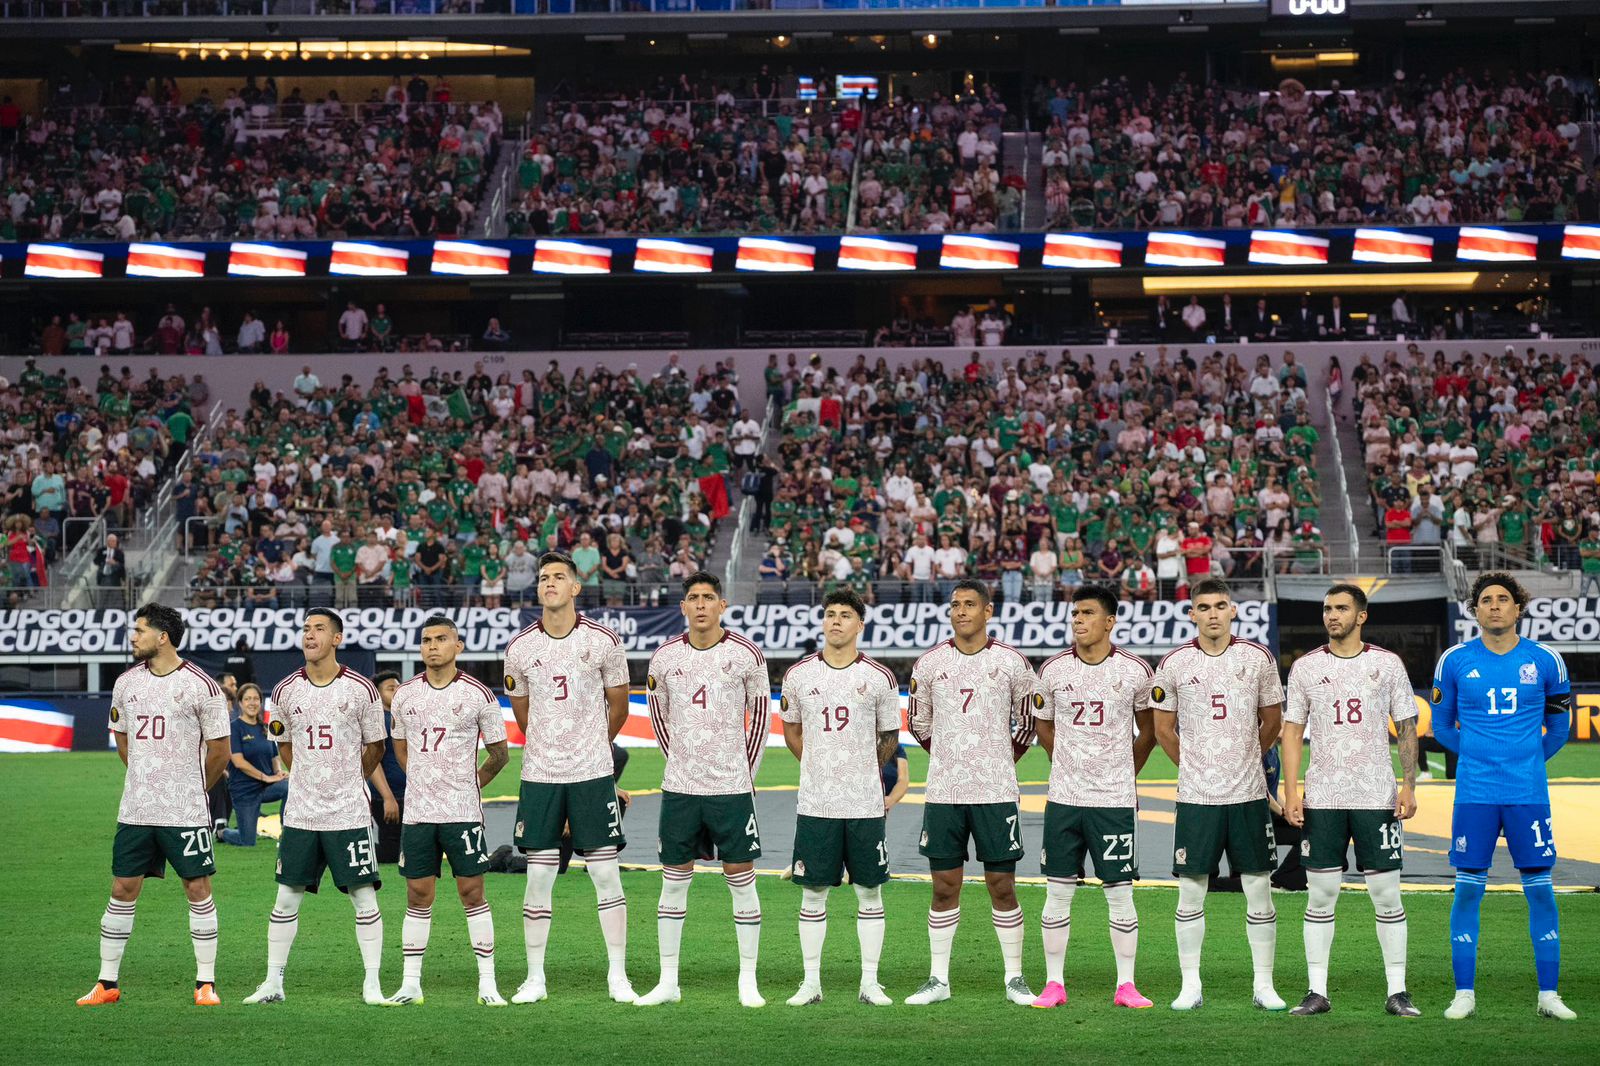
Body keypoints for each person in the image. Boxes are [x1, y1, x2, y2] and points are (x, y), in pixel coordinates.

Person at [1431, 573, 1575, 1021]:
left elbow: (1559, 728)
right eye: (1486, 600)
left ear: (1518, 607)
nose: (1494, 606)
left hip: (1527, 793)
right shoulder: (1454, 660)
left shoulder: (1546, 660)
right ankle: (1464, 994)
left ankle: (1548, 996)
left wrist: (1526, 758)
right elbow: (1440, 726)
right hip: (1474, 793)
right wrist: (1480, 755)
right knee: (1468, 891)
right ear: (1475, 610)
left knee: (1541, 892)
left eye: (1503, 599)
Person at [77, 604, 230, 1008]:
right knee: (122, 888)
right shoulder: (126, 684)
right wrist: (148, 777)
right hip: (137, 809)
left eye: (140, 630)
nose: (133, 637)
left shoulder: (202, 686)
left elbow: (220, 750)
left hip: (185, 810)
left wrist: (194, 788)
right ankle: (107, 983)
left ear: (162, 636)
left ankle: (205, 983)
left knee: (197, 888)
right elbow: (123, 741)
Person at [1281, 584, 1421, 1018]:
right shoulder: (1305, 668)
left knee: (1386, 894)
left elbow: (1407, 725)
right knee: (1320, 895)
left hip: (1375, 795)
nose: (1332, 615)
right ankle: (1316, 991)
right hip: (1323, 796)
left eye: (1341, 608)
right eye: (1327, 608)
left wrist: (1410, 784)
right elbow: (1290, 730)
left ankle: (1397, 991)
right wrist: (1290, 790)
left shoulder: (1387, 664)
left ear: (1362, 616)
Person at [636, 571, 771, 1008]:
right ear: (683, 607)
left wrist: (743, 775)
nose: (699, 605)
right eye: (692, 597)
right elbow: (659, 720)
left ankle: (747, 980)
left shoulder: (747, 655)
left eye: (707, 597)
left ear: (721, 605)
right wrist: (684, 765)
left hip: (731, 788)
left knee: (742, 880)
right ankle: (668, 981)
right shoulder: (664, 658)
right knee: (673, 883)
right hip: (680, 789)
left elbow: (760, 718)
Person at [1151, 577, 1285, 1011]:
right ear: (1192, 614)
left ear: (1233, 611)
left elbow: (1272, 721)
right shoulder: (1173, 663)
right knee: (1191, 891)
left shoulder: (1258, 658)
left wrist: (1247, 758)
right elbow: (1163, 729)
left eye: (1220, 605)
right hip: (1196, 797)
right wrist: (1195, 765)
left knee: (1259, 888)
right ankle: (1191, 985)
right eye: (1203, 607)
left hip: (1247, 795)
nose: (1212, 613)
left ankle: (1263, 985)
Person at [504, 552, 633, 1004]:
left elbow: (619, 706)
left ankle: (618, 975)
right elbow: (522, 715)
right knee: (539, 878)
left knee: (605, 875)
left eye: (559, 577)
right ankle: (535, 977)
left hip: (591, 774)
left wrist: (593, 747)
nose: (550, 583)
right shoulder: (520, 647)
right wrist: (550, 743)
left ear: (576, 587)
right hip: (540, 775)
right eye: (544, 578)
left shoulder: (603, 641)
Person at [242, 609, 388, 1006]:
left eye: (319, 629)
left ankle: (372, 985)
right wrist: (308, 775)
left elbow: (377, 745)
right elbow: (284, 745)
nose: (309, 635)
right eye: (306, 629)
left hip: (348, 813)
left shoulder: (362, 690)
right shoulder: (285, 690)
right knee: (287, 896)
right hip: (302, 813)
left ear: (337, 639)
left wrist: (348, 777)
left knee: (363, 896)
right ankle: (273, 982)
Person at [904, 579, 1037, 1006]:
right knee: (944, 886)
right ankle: (938, 980)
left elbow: (1029, 722)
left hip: (996, 791)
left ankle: (1014, 977)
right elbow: (918, 722)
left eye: (969, 605)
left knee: (1002, 884)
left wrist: (998, 757)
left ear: (988, 611)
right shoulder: (928, 665)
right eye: (955, 605)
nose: (960, 611)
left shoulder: (1014, 664)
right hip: (944, 792)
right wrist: (949, 755)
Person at [1031, 585, 1157, 1010]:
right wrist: (1066, 761)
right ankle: (1053, 983)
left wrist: (1123, 769)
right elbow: (1043, 727)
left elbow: (1150, 730)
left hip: (1115, 800)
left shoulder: (1136, 671)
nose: (1078, 621)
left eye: (1087, 613)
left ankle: (1126, 985)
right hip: (1064, 796)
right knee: (1057, 891)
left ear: (1109, 621)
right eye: (1074, 614)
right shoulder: (1051, 671)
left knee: (1120, 891)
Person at [778, 588, 901, 1007]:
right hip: (816, 803)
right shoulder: (799, 675)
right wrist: (818, 764)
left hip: (865, 803)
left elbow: (889, 737)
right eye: (830, 614)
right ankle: (810, 983)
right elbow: (791, 730)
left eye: (845, 615)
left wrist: (863, 769)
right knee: (813, 893)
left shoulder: (881, 678)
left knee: (870, 892)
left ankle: (870, 983)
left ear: (859, 625)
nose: (835, 621)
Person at [386, 616, 510, 1007]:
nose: (433, 646)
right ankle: (410, 984)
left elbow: (500, 753)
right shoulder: (405, 695)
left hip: (462, 812)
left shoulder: (479, 695)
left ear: (458, 646)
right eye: (426, 640)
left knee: (472, 892)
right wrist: (425, 780)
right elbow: (400, 748)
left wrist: (469, 783)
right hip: (419, 813)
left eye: (441, 639)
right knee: (417, 894)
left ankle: (487, 983)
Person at [221, 683, 289, 847]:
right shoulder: (234, 728)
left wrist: (279, 773)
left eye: (256, 699)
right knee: (247, 842)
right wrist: (266, 777)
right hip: (244, 791)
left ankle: (287, 835)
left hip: (266, 788)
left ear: (260, 702)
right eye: (247, 699)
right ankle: (223, 832)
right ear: (241, 703)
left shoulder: (265, 727)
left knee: (291, 786)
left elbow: (274, 756)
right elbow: (238, 762)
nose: (252, 703)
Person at [368, 671, 406, 864]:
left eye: (399, 686)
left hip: (407, 794)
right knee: (392, 852)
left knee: (406, 848)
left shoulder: (400, 717)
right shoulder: (378, 721)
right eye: (391, 688)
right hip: (389, 796)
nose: (397, 690)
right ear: (377, 693)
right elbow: (373, 763)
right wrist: (388, 798)